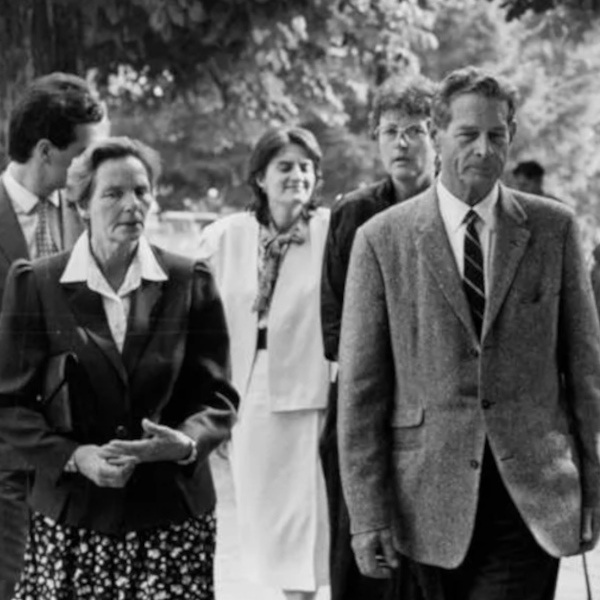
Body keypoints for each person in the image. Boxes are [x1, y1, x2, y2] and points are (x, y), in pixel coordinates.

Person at [338, 66, 600, 600]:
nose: (483, 149)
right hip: (425, 499)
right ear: (436, 134)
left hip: (530, 497)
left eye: (496, 135)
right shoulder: (380, 241)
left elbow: (587, 372)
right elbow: (361, 393)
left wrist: (592, 489)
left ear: (511, 136)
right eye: (467, 135)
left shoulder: (554, 230)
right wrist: (366, 516)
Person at [0, 136, 238, 600]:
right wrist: (76, 456)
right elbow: (9, 404)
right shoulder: (37, 283)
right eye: (113, 193)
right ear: (83, 204)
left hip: (171, 518)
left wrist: (185, 444)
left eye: (141, 191)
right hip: (71, 518)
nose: (132, 204)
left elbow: (218, 399)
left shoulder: (191, 282)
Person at [199, 126, 330, 600]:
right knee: (265, 514)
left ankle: (304, 597)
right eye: (284, 166)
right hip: (248, 392)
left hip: (311, 389)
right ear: (260, 176)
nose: (296, 176)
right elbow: (201, 320)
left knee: (307, 515)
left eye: (305, 167)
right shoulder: (227, 236)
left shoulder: (330, 233)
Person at [319, 74, 436, 600]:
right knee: (358, 556)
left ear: (436, 136)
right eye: (390, 131)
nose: (401, 143)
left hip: (435, 410)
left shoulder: (454, 214)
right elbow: (332, 323)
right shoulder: (353, 212)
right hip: (363, 400)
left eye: (414, 130)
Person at [0, 72, 107, 600]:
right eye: (82, 154)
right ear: (46, 150)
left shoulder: (87, 215)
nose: (91, 168)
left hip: (75, 457)